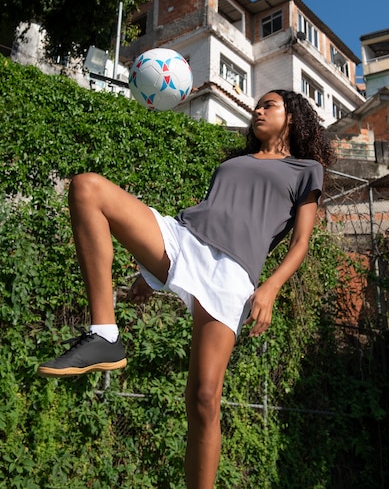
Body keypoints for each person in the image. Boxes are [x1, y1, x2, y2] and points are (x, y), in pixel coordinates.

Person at [38, 89, 335, 489]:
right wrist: (150, 274)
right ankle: (104, 335)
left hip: (233, 273)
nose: (257, 109)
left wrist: (271, 287)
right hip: (185, 238)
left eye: (268, 105)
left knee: (203, 400)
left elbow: (300, 241)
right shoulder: (235, 162)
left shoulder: (305, 168)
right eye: (258, 104)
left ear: (293, 117)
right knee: (87, 187)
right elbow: (211, 211)